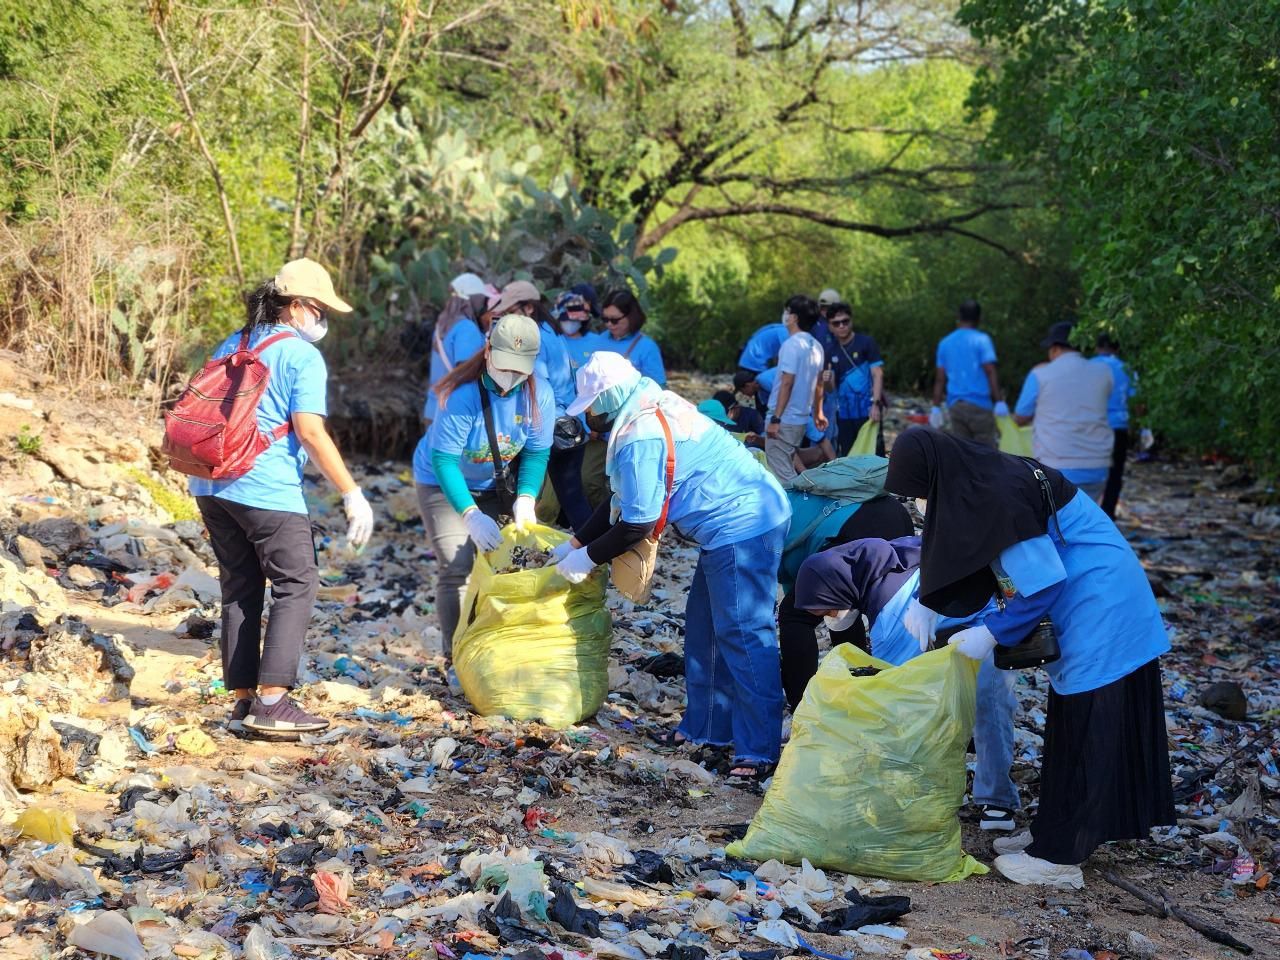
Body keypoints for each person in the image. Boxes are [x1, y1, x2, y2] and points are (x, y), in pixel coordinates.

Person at [885, 427, 1173, 889]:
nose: (922, 508)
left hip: (1100, 603)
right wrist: (928, 597)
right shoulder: (981, 479)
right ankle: (1050, 832)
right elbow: (967, 549)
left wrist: (990, 632)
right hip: (1087, 599)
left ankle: (1061, 859)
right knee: (1068, 725)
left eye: (922, 496)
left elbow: (1044, 581)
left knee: (1088, 732)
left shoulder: (997, 498)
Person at [552, 352, 791, 781]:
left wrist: (584, 560)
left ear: (609, 399)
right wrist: (574, 541)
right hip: (730, 520)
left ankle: (758, 750)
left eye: (590, 405)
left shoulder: (640, 431)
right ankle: (705, 730)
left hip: (744, 521)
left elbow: (638, 521)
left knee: (742, 632)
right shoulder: (645, 405)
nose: (588, 415)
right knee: (704, 628)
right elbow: (624, 496)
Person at [190, 259, 375, 738]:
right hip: (264, 485)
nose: (322, 319)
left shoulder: (234, 342)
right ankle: (273, 701)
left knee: (241, 585)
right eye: (318, 309)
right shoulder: (300, 356)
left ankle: (242, 702)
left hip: (210, 484)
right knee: (297, 582)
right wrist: (352, 494)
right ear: (296, 307)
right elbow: (310, 432)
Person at [793, 536, 1022, 831]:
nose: (830, 619)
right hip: (977, 610)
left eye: (826, 610)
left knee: (988, 702)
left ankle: (995, 801)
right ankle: (982, 799)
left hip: (991, 623)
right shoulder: (884, 564)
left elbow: (895, 694)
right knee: (979, 705)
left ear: (835, 588)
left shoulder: (892, 616)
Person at [411, 313, 553, 665]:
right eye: (505, 367)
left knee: (505, 564)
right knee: (456, 565)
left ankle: (491, 648)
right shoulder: (461, 396)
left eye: (520, 370)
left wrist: (525, 497)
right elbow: (444, 462)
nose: (511, 378)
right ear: (488, 351)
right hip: (442, 483)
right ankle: (455, 655)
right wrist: (470, 515)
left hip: (496, 483)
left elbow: (536, 451)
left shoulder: (540, 395)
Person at [492, 280, 592, 530]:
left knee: (514, 497)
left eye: (510, 310)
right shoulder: (553, 330)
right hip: (571, 425)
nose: (506, 316)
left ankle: (512, 557)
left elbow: (537, 388)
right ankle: (596, 557)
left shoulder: (531, 337)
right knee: (573, 499)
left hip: (546, 424)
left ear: (527, 308)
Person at [1012, 321, 1114, 504]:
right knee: (1085, 521)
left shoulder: (1040, 374)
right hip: (1097, 466)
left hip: (1056, 467)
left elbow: (1020, 417)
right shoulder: (1104, 372)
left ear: (1055, 349)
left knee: (1058, 523)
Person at [765, 295, 826, 483]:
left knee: (782, 474)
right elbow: (819, 383)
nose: (785, 315)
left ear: (794, 317)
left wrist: (776, 418)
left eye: (787, 311)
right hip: (800, 418)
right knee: (787, 464)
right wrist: (819, 413)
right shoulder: (816, 346)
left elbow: (787, 383)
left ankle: (796, 510)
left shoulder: (792, 345)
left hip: (784, 419)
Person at [932, 300, 1007, 447]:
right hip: (980, 406)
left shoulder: (945, 343)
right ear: (979, 319)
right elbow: (990, 370)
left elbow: (940, 379)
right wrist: (998, 401)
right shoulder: (982, 340)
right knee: (987, 455)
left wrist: (935, 407)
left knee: (963, 454)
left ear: (958, 317)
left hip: (955, 406)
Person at [424, 274, 490, 430]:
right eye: (481, 299)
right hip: (452, 414)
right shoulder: (467, 328)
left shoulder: (443, 325)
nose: (484, 304)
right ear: (473, 300)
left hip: (433, 409)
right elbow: (467, 372)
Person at [826, 302, 885, 455]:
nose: (841, 326)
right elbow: (831, 388)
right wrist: (826, 381)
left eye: (845, 321)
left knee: (874, 454)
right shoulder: (830, 350)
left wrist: (876, 404)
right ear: (830, 326)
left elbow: (877, 374)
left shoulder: (866, 343)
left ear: (851, 321)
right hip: (844, 413)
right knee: (848, 455)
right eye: (836, 323)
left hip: (868, 410)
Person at [1091, 334, 1135, 518]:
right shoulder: (1127, 369)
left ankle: (1090, 511)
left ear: (1097, 347)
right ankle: (1108, 513)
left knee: (1092, 471)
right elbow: (1137, 401)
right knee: (1115, 473)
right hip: (1119, 425)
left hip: (1093, 426)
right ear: (1117, 348)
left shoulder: (1089, 366)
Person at [554, 289, 595, 375]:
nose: (570, 323)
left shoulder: (597, 341)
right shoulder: (552, 341)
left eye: (575, 320)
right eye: (566, 320)